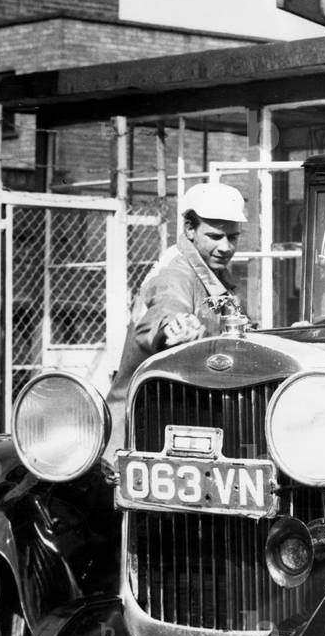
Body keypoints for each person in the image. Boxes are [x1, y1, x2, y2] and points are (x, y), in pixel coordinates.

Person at [106, 181, 247, 443]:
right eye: (215, 236)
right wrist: (173, 328)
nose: (226, 247)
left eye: (233, 237)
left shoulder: (216, 274)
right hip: (142, 429)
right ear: (190, 229)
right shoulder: (175, 273)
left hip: (187, 419)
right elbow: (164, 312)